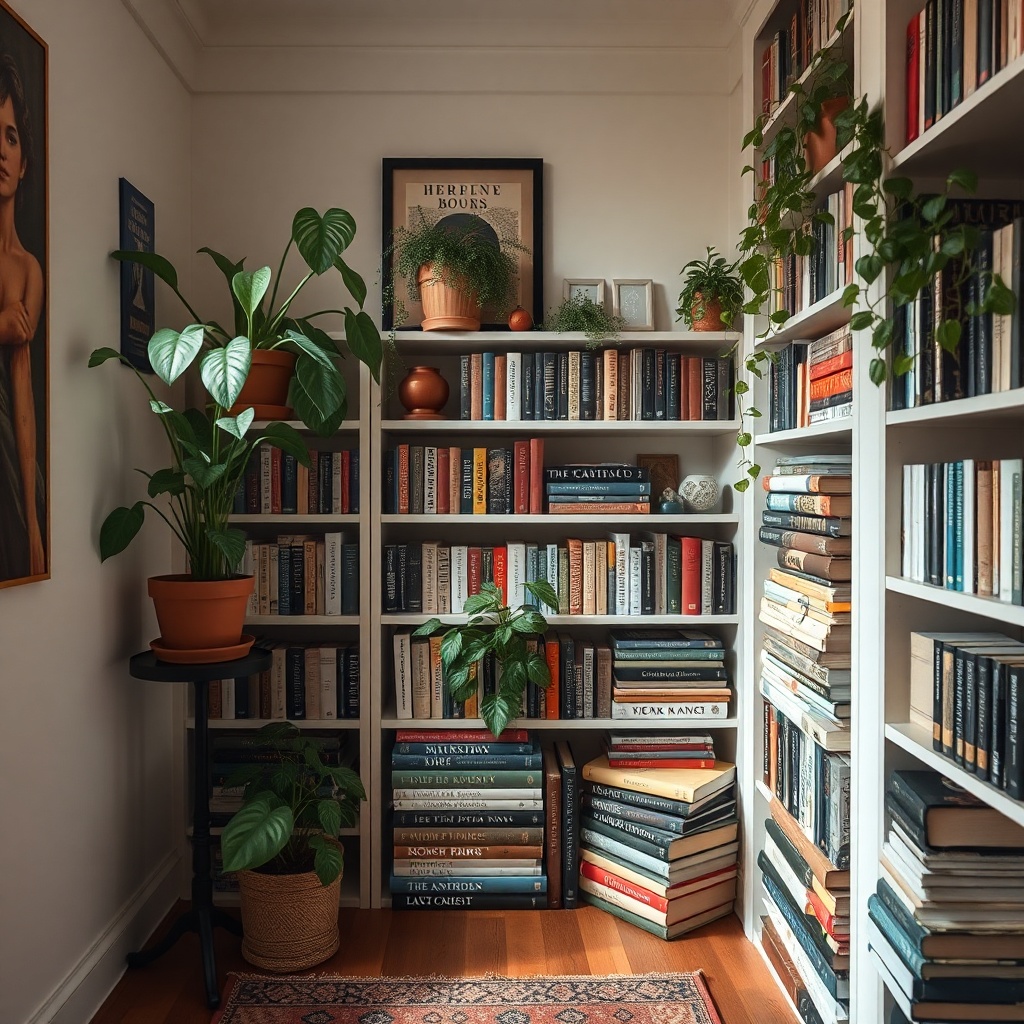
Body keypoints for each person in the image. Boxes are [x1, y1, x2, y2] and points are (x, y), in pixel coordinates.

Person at [0, 51, 43, 580]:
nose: (1, 150)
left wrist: (32, 521)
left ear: (24, 160)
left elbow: (23, 395)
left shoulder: (29, 269)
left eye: (10, 136)